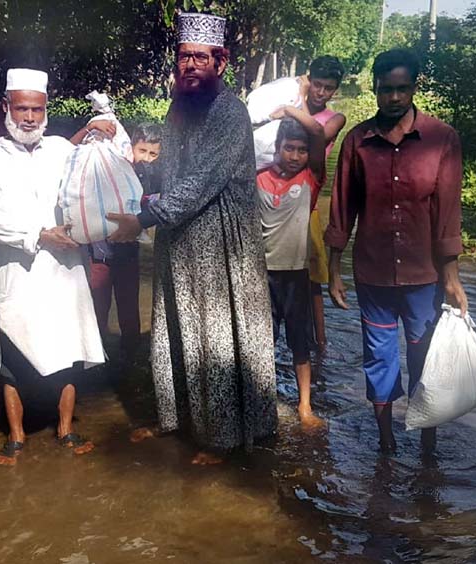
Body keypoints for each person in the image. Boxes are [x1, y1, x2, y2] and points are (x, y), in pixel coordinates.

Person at [109, 13, 277, 464]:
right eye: (184, 56)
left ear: (220, 62)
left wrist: (142, 219)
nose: (190, 65)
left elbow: (204, 181)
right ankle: (177, 418)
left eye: (200, 57)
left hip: (222, 242)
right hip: (179, 236)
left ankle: (223, 437)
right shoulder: (177, 108)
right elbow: (168, 173)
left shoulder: (230, 112)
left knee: (218, 336)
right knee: (174, 329)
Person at [325, 49, 467, 454]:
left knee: (427, 360)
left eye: (402, 89)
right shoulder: (358, 141)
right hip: (373, 275)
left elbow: (447, 213)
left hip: (425, 277)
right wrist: (335, 268)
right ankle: (386, 442)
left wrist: (452, 277)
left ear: (414, 87)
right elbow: (342, 207)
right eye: (385, 89)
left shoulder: (442, 139)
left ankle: (427, 444)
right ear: (374, 89)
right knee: (379, 358)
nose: (394, 97)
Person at [0, 68, 105, 466]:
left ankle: (65, 429)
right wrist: (40, 234)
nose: (29, 117)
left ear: (46, 110)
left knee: (69, 347)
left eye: (37, 109)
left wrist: (102, 135)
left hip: (64, 269)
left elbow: (90, 188)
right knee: (12, 353)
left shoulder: (63, 152)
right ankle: (15, 437)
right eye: (22, 109)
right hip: (17, 271)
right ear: (6, 108)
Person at [257, 110, 326, 429]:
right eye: (289, 148)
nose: (295, 156)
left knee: (301, 343)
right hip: (261, 275)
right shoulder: (257, 178)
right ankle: (262, 402)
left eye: (301, 149)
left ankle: (305, 406)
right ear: (277, 147)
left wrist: (288, 110)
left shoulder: (311, 177)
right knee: (263, 343)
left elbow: (319, 133)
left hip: (297, 276)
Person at [87, 123, 162, 364]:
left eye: (153, 154)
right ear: (131, 147)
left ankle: (130, 358)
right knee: (97, 305)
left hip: (128, 252)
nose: (147, 159)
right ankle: (94, 356)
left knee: (129, 308)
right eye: (143, 151)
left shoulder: (153, 177)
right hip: (100, 253)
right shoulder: (115, 168)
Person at [304, 56, 347, 351]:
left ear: (335, 90)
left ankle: (321, 344)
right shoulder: (292, 103)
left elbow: (319, 136)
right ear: (308, 80)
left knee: (313, 279)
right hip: (274, 196)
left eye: (328, 88)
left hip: (308, 201)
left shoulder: (334, 119)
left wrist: (290, 112)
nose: (320, 92)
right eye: (317, 84)